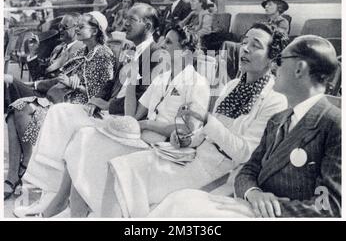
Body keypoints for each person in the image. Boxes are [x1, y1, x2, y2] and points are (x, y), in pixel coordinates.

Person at [98, 23, 289, 218]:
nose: (245, 48)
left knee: (126, 175)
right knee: (120, 167)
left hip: (220, 172)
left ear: (272, 58)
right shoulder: (232, 85)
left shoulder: (275, 100)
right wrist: (188, 139)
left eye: (256, 45)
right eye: (244, 42)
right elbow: (206, 133)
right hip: (194, 155)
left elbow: (246, 154)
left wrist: (206, 120)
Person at [16, 27, 210, 218]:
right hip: (142, 136)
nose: (162, 45)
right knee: (84, 136)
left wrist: (147, 125)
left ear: (184, 51)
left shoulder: (197, 82)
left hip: (165, 148)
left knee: (89, 143)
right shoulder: (162, 78)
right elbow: (133, 115)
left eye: (168, 42)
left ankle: (66, 207)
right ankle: (70, 207)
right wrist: (132, 82)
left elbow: (188, 129)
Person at [149, 35, 341, 218]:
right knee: (178, 202)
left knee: (182, 209)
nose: (275, 66)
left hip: (275, 215)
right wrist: (253, 193)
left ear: (299, 68)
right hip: (247, 202)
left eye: (281, 60)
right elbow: (249, 170)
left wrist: (266, 209)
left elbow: (332, 207)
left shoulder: (335, 125)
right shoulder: (279, 119)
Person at [13, 3, 160, 216]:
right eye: (125, 18)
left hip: (122, 119)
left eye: (132, 19)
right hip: (104, 109)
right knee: (59, 112)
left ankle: (56, 196)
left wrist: (108, 105)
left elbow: (143, 98)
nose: (125, 23)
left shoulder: (155, 54)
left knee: (72, 128)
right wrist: (97, 100)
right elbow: (110, 83)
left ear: (147, 25)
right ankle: (49, 191)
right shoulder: (129, 48)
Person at [4, 11, 114, 201]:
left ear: (95, 30)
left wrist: (74, 84)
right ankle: (15, 173)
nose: (77, 29)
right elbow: (58, 77)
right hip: (62, 99)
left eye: (81, 26)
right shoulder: (81, 51)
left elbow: (100, 93)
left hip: (82, 107)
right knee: (16, 108)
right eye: (77, 26)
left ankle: (25, 166)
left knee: (22, 109)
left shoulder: (104, 54)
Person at [5, 14, 84, 105]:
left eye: (64, 27)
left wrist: (32, 85)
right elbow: (38, 75)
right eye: (60, 27)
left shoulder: (79, 51)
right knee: (6, 85)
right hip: (39, 91)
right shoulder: (59, 48)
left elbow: (61, 81)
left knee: (8, 81)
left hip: (51, 98)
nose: (60, 30)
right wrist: (33, 52)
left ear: (77, 28)